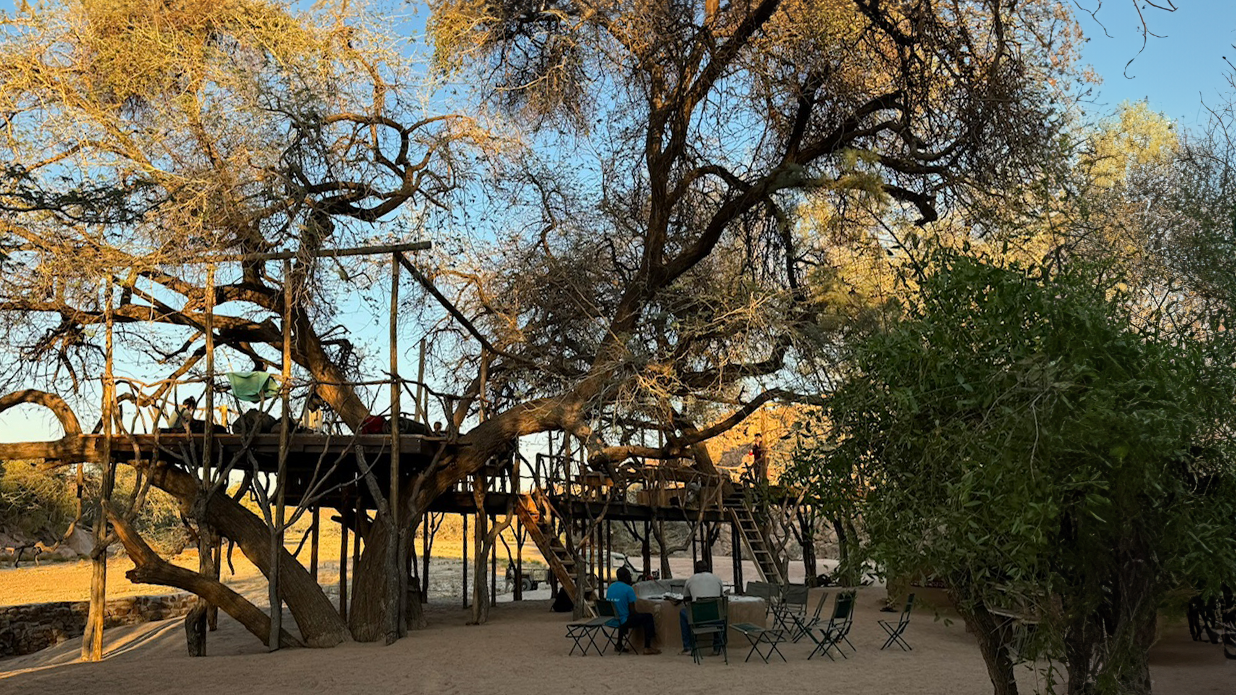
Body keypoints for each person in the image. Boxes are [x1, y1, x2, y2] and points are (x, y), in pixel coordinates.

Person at [605, 566, 660, 654]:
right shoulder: (628, 589)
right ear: (626, 577)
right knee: (648, 617)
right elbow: (632, 611)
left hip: (610, 619)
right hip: (622, 621)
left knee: (621, 614)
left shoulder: (611, 587)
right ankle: (647, 647)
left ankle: (619, 643)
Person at [679, 560, 725, 655]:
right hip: (716, 618)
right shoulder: (717, 579)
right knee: (719, 612)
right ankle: (717, 647)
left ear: (695, 569)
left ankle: (688, 647)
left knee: (683, 613)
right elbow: (721, 597)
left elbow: (686, 600)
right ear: (708, 569)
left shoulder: (690, 580)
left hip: (697, 618)